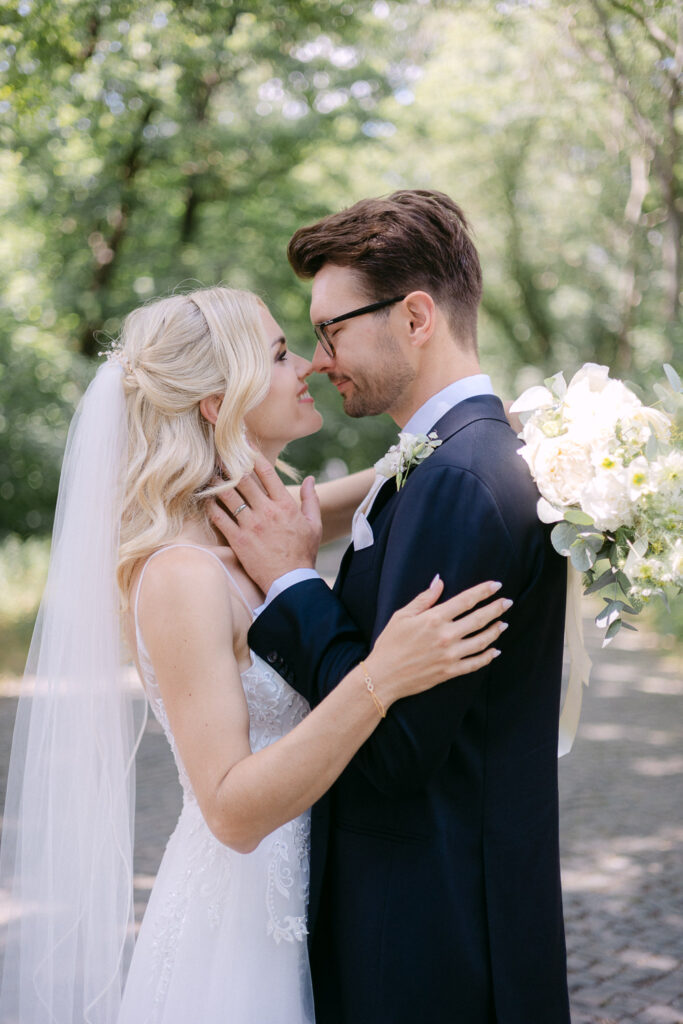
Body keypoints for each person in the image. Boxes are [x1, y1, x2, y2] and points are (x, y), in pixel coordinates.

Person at [0, 286, 508, 1024]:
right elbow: (231, 813)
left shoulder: (247, 524)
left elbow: (379, 487)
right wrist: (378, 678)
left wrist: (492, 430)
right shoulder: (181, 574)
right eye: (277, 353)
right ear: (216, 401)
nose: (305, 364)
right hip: (239, 929)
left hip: (322, 898)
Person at [210, 191, 572, 1024]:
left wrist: (293, 584)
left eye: (331, 329)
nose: (317, 358)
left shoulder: (458, 480)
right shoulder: (455, 457)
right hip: (442, 919)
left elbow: (397, 750)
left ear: (414, 317)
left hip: (425, 940)